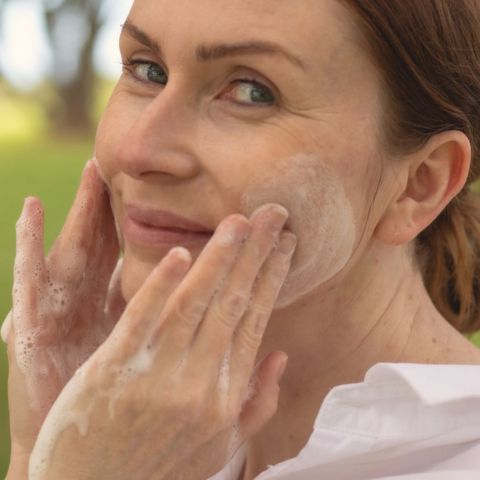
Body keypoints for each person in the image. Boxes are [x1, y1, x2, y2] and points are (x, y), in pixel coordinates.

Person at [3, 0, 480, 478]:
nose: (136, 150)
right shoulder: (140, 423)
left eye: (252, 92)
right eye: (148, 70)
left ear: (420, 184)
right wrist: (47, 446)